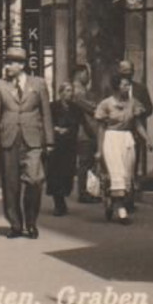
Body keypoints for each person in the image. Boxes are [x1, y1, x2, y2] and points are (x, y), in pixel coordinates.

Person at [0, 45, 53, 239]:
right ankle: (16, 224)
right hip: (8, 140)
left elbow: (46, 113)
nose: (7, 66)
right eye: (6, 62)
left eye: (11, 62)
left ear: (21, 65)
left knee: (35, 180)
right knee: (11, 185)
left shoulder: (38, 84)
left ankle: (31, 222)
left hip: (32, 140)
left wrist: (49, 140)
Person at [95, 75, 148, 225]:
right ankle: (121, 210)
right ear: (117, 86)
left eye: (128, 85)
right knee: (116, 173)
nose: (127, 88)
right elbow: (101, 128)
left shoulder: (133, 104)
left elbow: (138, 124)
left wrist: (147, 139)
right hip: (111, 139)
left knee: (126, 175)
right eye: (124, 85)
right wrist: (99, 150)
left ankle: (111, 200)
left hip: (127, 139)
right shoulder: (106, 104)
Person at [46, 81, 92, 216]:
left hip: (70, 145)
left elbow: (84, 123)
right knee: (55, 174)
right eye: (66, 91)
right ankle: (58, 204)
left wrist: (95, 138)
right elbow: (46, 122)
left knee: (67, 173)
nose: (69, 94)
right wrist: (55, 129)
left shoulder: (76, 108)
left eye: (70, 91)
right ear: (60, 93)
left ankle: (63, 198)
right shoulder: (53, 107)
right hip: (55, 144)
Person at [115, 59, 153, 208]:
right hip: (117, 133)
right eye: (124, 71)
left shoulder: (141, 89)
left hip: (136, 132)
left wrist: (142, 110)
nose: (127, 74)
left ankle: (128, 201)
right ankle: (117, 198)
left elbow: (150, 108)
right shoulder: (113, 90)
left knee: (131, 166)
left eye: (129, 71)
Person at [69, 63, 101, 203]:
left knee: (87, 163)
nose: (88, 77)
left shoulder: (80, 90)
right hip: (85, 132)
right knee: (85, 163)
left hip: (87, 131)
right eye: (87, 74)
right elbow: (92, 108)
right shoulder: (78, 91)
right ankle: (84, 192)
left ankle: (87, 191)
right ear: (80, 73)